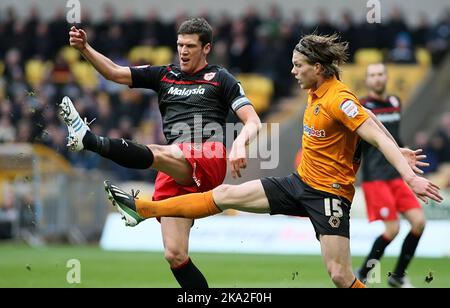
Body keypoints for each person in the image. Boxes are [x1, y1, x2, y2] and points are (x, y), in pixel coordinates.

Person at [103, 34, 443, 288]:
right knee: (224, 195)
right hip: (299, 183)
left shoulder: (339, 99)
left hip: (329, 196)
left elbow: (373, 130)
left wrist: (404, 168)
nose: (292, 71)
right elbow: (372, 117)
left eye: (298, 65)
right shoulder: (316, 91)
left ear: (318, 68)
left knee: (340, 275)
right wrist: (400, 151)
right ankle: (146, 209)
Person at [64, 17, 261, 288]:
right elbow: (113, 72)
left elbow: (253, 121)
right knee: (175, 254)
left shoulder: (221, 78)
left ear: (206, 48)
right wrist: (85, 48)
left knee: (159, 151)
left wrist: (240, 144)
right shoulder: (165, 75)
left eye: (190, 46)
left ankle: (90, 141)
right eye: (180, 44)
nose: (183, 51)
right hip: (174, 164)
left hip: (209, 155)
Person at [355, 63, 427, 288]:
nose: (377, 79)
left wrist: (408, 161)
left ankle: (397, 276)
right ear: (367, 81)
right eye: (372, 75)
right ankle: (364, 272)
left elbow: (394, 139)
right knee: (393, 229)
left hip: (396, 176)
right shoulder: (361, 106)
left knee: (419, 223)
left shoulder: (396, 103)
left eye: (380, 74)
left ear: (386, 77)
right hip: (375, 177)